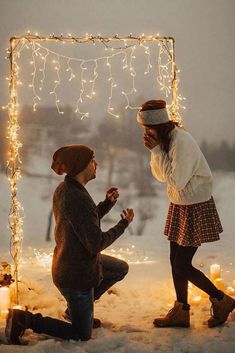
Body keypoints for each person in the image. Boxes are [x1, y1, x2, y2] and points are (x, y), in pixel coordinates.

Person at [5, 144, 134, 344]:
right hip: (76, 277)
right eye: (92, 160)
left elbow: (83, 221)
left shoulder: (68, 189)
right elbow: (95, 243)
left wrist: (106, 204)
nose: (96, 164)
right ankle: (23, 319)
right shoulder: (76, 197)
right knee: (81, 334)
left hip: (73, 263)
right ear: (81, 165)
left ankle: (75, 310)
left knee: (120, 268)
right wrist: (123, 224)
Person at [136, 99, 235, 328]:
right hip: (180, 204)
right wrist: (156, 151)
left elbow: (177, 181)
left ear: (157, 125)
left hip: (195, 205)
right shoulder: (166, 140)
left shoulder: (181, 142)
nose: (145, 132)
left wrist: (157, 150)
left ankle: (222, 300)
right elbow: (161, 176)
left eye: (146, 128)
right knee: (174, 261)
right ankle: (182, 311)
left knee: (182, 265)